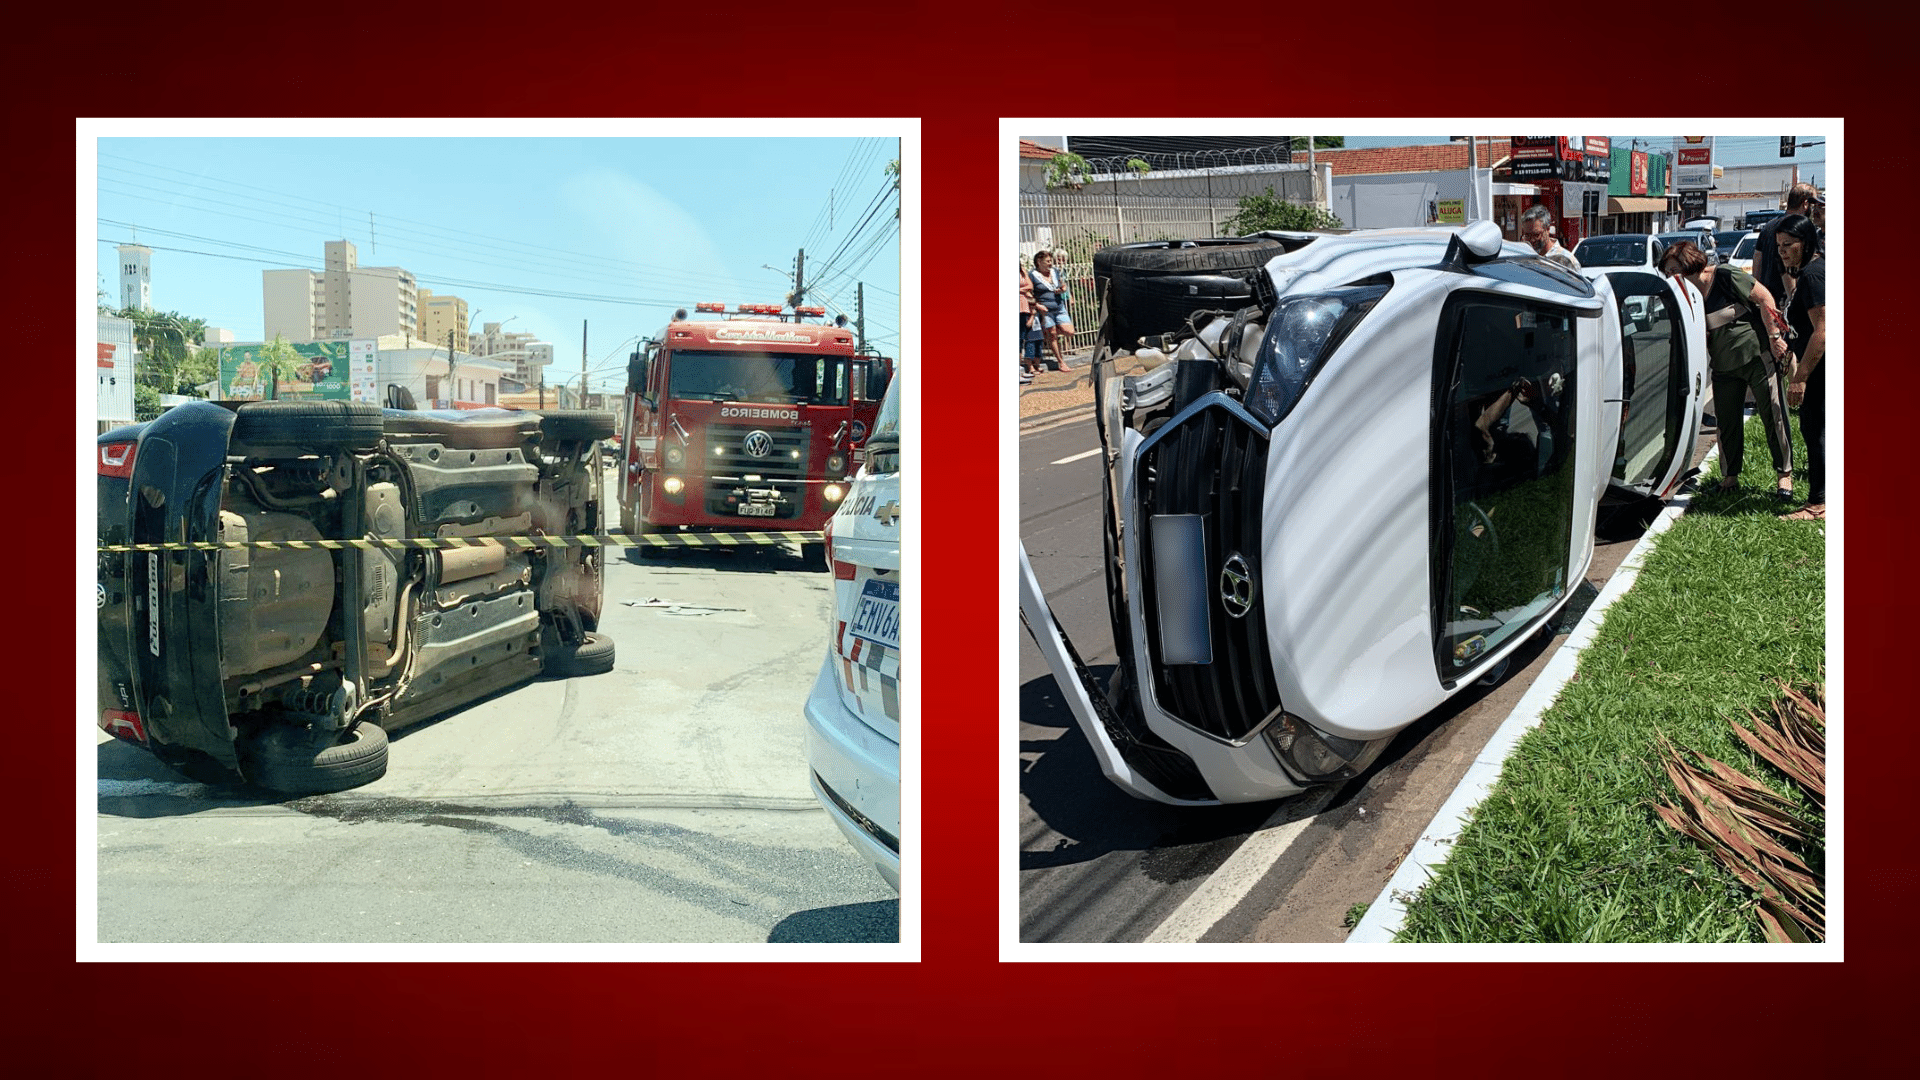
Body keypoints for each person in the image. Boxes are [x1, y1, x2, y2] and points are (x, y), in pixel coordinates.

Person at [1660, 240, 1795, 500]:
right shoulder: (1685, 298)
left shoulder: (1724, 276)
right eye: (1667, 273)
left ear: (1690, 264)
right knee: (1727, 422)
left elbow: (1764, 297)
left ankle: (1784, 476)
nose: (1671, 277)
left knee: (1774, 415)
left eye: (1674, 270)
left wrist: (1775, 338)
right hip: (1723, 367)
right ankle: (1730, 477)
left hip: (1757, 357)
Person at [1773, 214, 1827, 521]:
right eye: (1779, 245)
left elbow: (1823, 330)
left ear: (1805, 243)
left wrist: (1800, 379)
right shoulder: (1811, 270)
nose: (1782, 251)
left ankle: (1819, 505)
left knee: (1814, 428)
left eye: (1788, 244)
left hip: (1820, 366)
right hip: (1815, 362)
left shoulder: (1812, 275)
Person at [1751, 182, 1822, 302]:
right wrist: (1792, 298)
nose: (1814, 208)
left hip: (1768, 299)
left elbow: (1757, 259)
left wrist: (1759, 295)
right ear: (1805, 204)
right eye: (1813, 204)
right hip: (1787, 299)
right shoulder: (1799, 228)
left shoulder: (1769, 226)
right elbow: (1788, 262)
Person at [1027, 249, 1075, 371]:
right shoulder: (1032, 275)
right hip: (1045, 309)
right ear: (1039, 261)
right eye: (1048, 261)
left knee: (1069, 331)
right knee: (1053, 334)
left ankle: (1046, 333)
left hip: (1059, 307)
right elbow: (1029, 293)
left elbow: (1061, 284)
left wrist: (1063, 289)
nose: (1050, 263)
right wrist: (1037, 306)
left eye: (1051, 261)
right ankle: (1061, 362)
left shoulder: (1055, 272)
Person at [1519, 204, 1581, 272]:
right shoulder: (1524, 258)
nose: (1532, 240)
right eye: (1527, 235)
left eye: (1536, 235)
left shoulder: (1565, 260)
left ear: (1548, 229)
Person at [1016, 260, 1039, 382]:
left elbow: (1030, 286)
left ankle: (1019, 370)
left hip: (1023, 307)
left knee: (1020, 339)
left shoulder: (1022, 271)